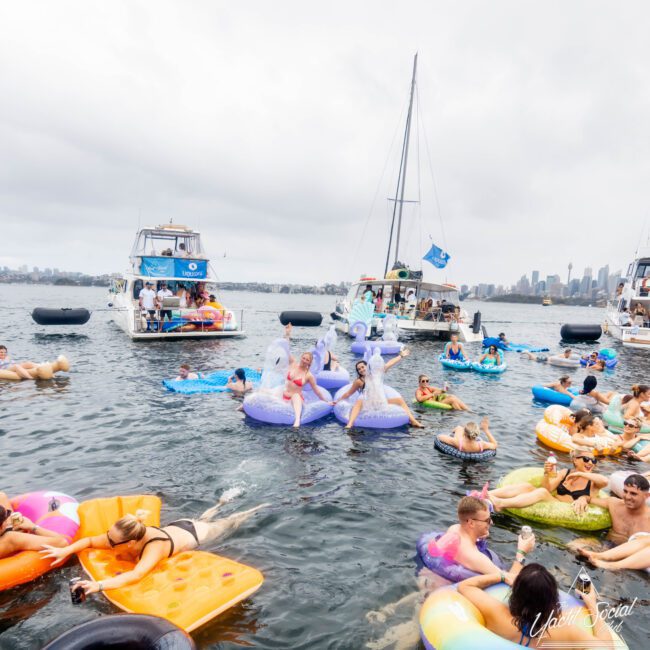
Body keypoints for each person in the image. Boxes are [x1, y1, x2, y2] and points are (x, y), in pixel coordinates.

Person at [365, 496, 535, 647]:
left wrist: (479, 532)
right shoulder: (476, 557)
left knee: (419, 605)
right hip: (444, 594)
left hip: (430, 580)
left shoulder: (455, 529)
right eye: (487, 520)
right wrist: (522, 552)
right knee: (414, 630)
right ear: (470, 522)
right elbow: (509, 580)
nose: (491, 523)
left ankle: (389, 609)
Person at [40, 497, 269, 596]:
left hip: (195, 533)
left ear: (129, 543)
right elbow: (89, 541)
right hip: (178, 526)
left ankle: (257, 507)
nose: (106, 541)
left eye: (110, 540)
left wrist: (99, 585)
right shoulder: (121, 534)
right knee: (209, 515)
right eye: (108, 536)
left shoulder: (153, 547)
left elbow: (137, 574)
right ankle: (220, 503)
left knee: (233, 521)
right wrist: (64, 550)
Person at [457, 563, 612, 646]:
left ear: (515, 595)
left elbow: (464, 586)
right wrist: (592, 604)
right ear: (553, 600)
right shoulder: (567, 633)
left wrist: (503, 576)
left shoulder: (496, 613)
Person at [485, 451, 608, 515]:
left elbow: (605, 481)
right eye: (586, 459)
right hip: (552, 500)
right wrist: (546, 474)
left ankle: (501, 504)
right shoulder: (565, 472)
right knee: (527, 486)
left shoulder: (593, 482)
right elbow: (547, 488)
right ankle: (487, 494)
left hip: (566, 509)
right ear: (575, 460)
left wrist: (580, 474)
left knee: (541, 492)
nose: (591, 463)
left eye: (594, 460)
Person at [333, 352, 423, 429]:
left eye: (362, 367)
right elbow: (349, 393)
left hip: (379, 402)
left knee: (399, 400)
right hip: (367, 403)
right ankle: (350, 424)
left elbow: (389, 363)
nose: (361, 370)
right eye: (359, 369)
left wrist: (401, 356)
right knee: (359, 400)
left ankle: (413, 421)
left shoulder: (377, 374)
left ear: (367, 366)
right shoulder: (359, 381)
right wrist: (337, 401)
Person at [571, 474, 650, 557]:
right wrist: (582, 499)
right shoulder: (614, 504)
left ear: (647, 496)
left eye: (633, 494)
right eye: (625, 491)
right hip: (607, 545)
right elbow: (588, 498)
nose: (627, 497)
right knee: (573, 546)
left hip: (632, 556)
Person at [282, 324, 333, 428]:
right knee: (266, 390)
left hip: (295, 398)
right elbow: (286, 350)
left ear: (309, 363)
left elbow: (316, 390)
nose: (304, 360)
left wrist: (326, 401)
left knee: (296, 396)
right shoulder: (293, 364)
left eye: (307, 360)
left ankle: (297, 420)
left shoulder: (308, 375)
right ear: (301, 357)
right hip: (284, 397)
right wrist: (287, 334)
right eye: (303, 358)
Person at [0, 494, 69, 559]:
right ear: (1, 527)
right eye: (8, 515)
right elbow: (62, 543)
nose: (9, 517)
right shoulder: (11, 539)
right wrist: (33, 527)